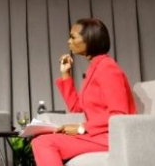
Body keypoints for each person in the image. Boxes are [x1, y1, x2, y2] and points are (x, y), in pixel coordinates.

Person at [32, 18, 136, 166]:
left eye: (73, 37)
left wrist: (82, 127)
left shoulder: (108, 69)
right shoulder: (95, 68)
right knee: (41, 138)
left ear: (90, 39)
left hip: (111, 137)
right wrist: (65, 74)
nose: (69, 41)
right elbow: (77, 108)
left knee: (44, 143)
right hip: (97, 135)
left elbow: (119, 114)